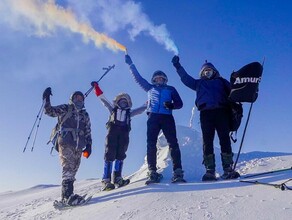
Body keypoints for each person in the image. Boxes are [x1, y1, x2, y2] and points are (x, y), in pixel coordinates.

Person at [171, 55, 240, 181]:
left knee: (224, 139)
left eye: (210, 70)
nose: (207, 72)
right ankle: (210, 170)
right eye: (205, 71)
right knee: (207, 141)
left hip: (222, 112)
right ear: (202, 73)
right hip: (205, 114)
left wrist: (246, 88)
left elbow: (234, 90)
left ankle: (228, 168)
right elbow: (186, 79)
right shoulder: (198, 83)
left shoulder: (221, 81)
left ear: (214, 71)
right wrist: (178, 67)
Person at [125, 54, 185, 184]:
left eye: (161, 79)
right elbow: (138, 78)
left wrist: (172, 105)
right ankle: (152, 171)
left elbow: (180, 104)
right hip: (153, 117)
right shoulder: (149, 88)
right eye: (157, 79)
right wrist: (131, 65)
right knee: (151, 144)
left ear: (165, 80)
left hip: (167, 117)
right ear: (153, 80)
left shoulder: (171, 89)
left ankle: (178, 171)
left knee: (173, 143)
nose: (159, 81)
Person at [91, 82, 147, 190]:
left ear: (128, 103)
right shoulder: (113, 109)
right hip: (112, 133)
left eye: (125, 102)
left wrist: (149, 101)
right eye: (121, 101)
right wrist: (96, 87)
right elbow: (103, 99)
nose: (123, 103)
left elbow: (141, 109)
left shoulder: (129, 113)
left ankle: (117, 178)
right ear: (117, 102)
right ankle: (106, 180)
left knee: (121, 155)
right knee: (109, 155)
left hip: (124, 135)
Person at [43, 87, 92, 205]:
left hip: (79, 145)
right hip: (65, 141)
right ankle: (67, 196)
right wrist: (46, 98)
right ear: (72, 99)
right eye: (77, 98)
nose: (79, 100)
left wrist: (89, 145)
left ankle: (69, 194)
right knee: (68, 167)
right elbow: (49, 111)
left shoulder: (85, 114)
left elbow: (88, 130)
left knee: (74, 168)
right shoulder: (66, 108)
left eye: (81, 98)